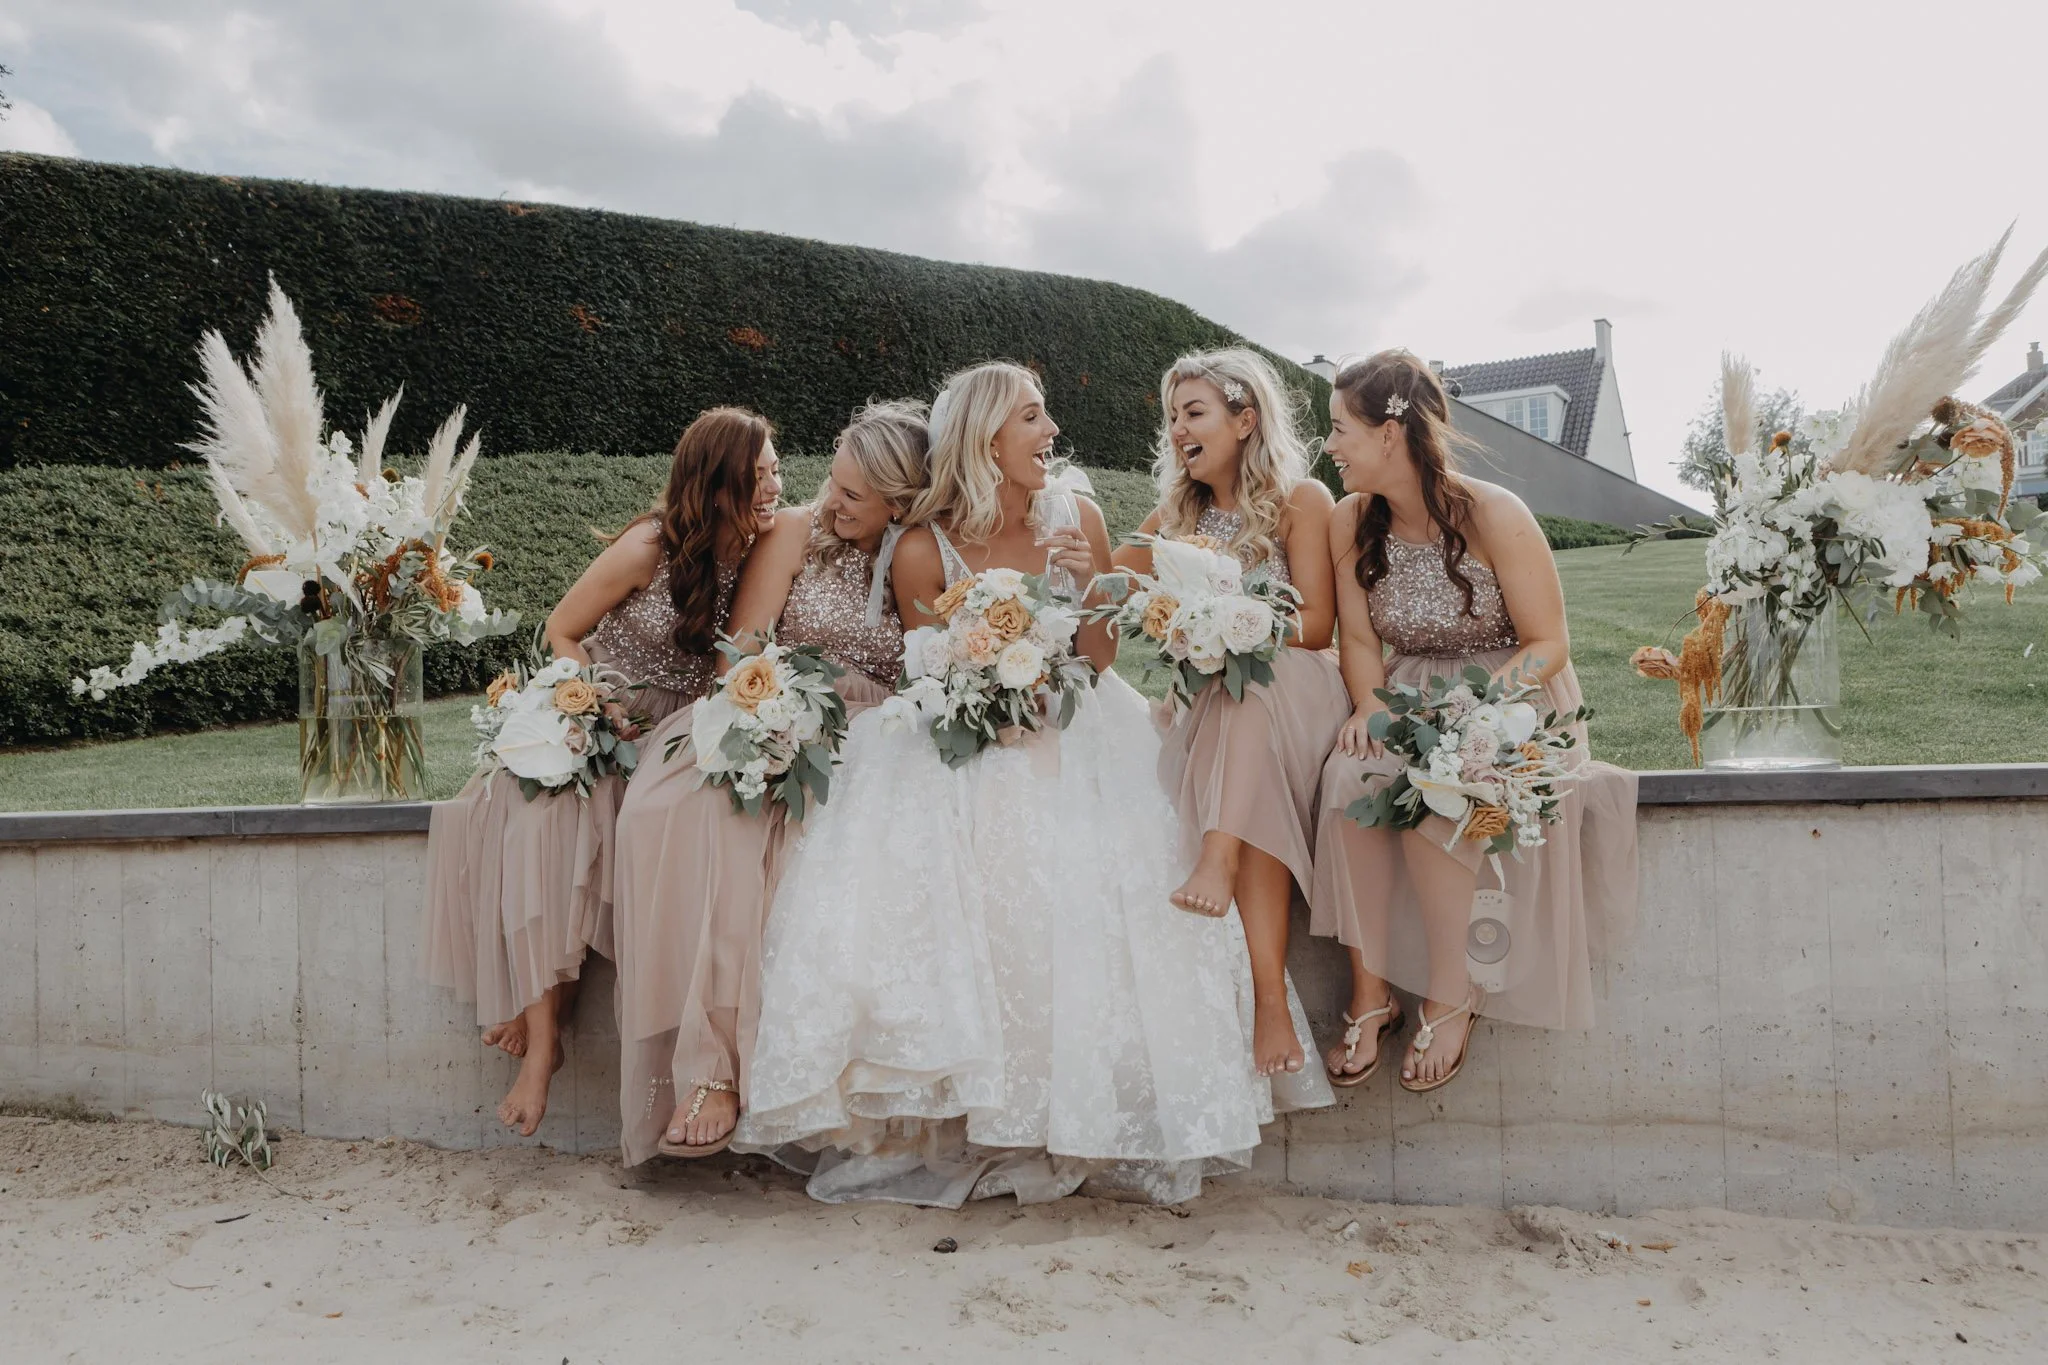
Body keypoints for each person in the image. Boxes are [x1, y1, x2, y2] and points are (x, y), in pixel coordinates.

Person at [735, 362, 1329, 1206]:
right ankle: (981, 1104)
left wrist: (1083, 581)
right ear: (986, 439)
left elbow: (1095, 658)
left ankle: (1088, 1101)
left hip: (1083, 718)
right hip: (974, 731)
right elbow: (927, 673)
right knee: (979, 830)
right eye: (1032, 419)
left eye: (1046, 418)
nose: (1051, 433)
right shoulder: (919, 548)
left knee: (1103, 844)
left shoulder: (1076, 513)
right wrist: (987, 693)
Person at [422, 407, 780, 1135]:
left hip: (681, 730)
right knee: (541, 813)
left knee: (640, 824)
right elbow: (561, 627)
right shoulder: (648, 546)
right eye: (760, 472)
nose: (775, 483)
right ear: (716, 484)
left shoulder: (761, 552)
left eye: (777, 468)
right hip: (603, 708)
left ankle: (550, 1015)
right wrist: (596, 708)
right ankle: (543, 1034)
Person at [1308, 351, 1637, 1093]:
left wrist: (1476, 713)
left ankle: (1452, 990)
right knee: (1348, 776)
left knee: (1442, 786)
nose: (1329, 447)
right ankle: (1370, 992)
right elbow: (1359, 641)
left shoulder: (1494, 514)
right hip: (1406, 691)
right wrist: (1367, 705)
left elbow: (1550, 643)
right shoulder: (1349, 520)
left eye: (1339, 429)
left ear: (1390, 434)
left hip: (1512, 695)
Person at [613, 400, 931, 1164]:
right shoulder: (795, 533)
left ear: (902, 502)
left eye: (853, 496)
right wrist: (781, 712)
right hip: (772, 709)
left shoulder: (919, 555)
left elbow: (929, 674)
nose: (829, 502)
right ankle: (713, 1066)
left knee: (821, 841)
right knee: (694, 811)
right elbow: (739, 654)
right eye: (832, 482)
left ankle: (794, 1073)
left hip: (871, 737)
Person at [1115, 348, 1350, 1078]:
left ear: (1245, 420)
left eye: (1194, 413)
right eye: (1172, 418)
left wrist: (1230, 621)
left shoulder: (1299, 498)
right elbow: (1109, 583)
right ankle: (1268, 1001)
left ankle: (1215, 861)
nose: (1178, 430)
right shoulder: (1174, 516)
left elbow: (1316, 625)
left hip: (1302, 683)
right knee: (1246, 739)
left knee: (1255, 679)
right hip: (1227, 701)